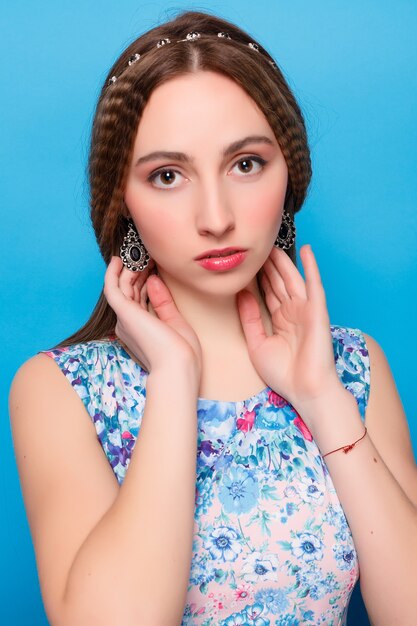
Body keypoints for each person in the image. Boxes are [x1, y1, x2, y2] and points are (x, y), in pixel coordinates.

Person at [8, 8, 417, 626]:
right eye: (168, 175)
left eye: (245, 163)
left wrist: (321, 395)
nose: (216, 216)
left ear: (289, 175)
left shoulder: (352, 365)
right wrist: (174, 376)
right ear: (123, 200)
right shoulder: (61, 389)